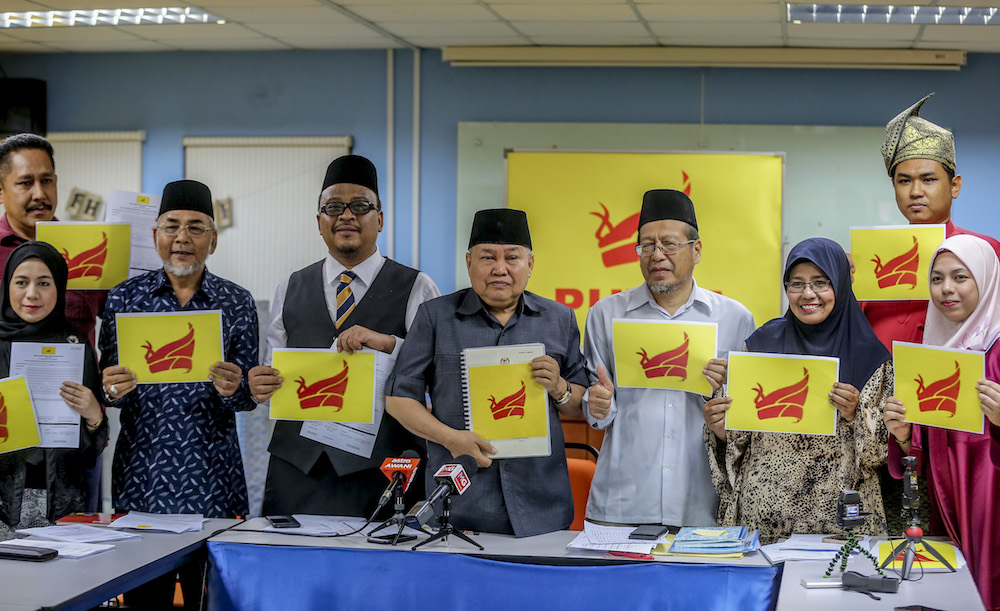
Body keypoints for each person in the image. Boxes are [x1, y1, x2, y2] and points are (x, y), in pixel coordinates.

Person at [249, 154, 439, 517]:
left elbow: (435, 376)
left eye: (360, 206)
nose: (346, 215)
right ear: (319, 221)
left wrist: (390, 345)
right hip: (297, 469)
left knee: (378, 571)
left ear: (379, 219)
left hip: (383, 470)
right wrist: (259, 384)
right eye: (333, 207)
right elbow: (272, 371)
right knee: (292, 569)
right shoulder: (290, 286)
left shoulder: (416, 286)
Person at [385, 208, 587, 537]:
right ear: (469, 263)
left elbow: (580, 402)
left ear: (530, 264)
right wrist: (451, 440)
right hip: (459, 500)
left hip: (541, 501)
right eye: (487, 257)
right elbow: (398, 399)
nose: (500, 269)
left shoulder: (559, 318)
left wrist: (560, 387)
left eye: (512, 258)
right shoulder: (436, 317)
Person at [582, 189, 755, 527]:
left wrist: (719, 393)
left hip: (703, 502)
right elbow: (598, 409)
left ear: (697, 250)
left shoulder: (735, 318)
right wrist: (596, 405)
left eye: (669, 244)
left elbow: (745, 422)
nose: (657, 254)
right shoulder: (606, 315)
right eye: (647, 245)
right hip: (624, 501)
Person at [705, 238, 891, 543]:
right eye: (797, 284)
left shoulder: (870, 357)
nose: (808, 294)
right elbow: (742, 439)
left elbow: (880, 455)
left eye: (821, 283)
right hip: (764, 520)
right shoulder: (761, 344)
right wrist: (721, 429)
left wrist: (857, 414)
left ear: (841, 285)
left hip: (839, 523)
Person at [98, 180, 257, 517]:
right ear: (156, 234)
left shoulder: (237, 302)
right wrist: (112, 388)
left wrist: (235, 388)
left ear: (212, 241)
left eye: (195, 228)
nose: (182, 237)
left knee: (211, 566)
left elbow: (247, 396)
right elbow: (110, 386)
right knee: (140, 567)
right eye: (171, 226)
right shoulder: (124, 298)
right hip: (141, 469)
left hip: (213, 471)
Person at [884, 235, 1000, 611]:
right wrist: (903, 436)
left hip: (991, 504)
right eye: (936, 279)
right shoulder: (932, 352)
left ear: (986, 280)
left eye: (960, 277)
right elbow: (924, 445)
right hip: (946, 503)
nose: (946, 289)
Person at [863, 93, 1000, 352]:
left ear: (954, 186)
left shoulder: (986, 252)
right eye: (904, 181)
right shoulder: (872, 259)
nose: (915, 192)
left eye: (928, 180)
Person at [0, 242, 107, 538]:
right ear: (7, 285)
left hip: (59, 504)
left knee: (62, 582)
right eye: (21, 282)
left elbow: (91, 450)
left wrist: (94, 415)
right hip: (2, 500)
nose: (32, 294)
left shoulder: (74, 345)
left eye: (44, 283)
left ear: (59, 287)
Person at [0, 133, 106, 348]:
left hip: (79, 380)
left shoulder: (89, 249)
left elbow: (121, 326)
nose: (39, 194)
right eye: (25, 183)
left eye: (46, 181)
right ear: (1, 191)